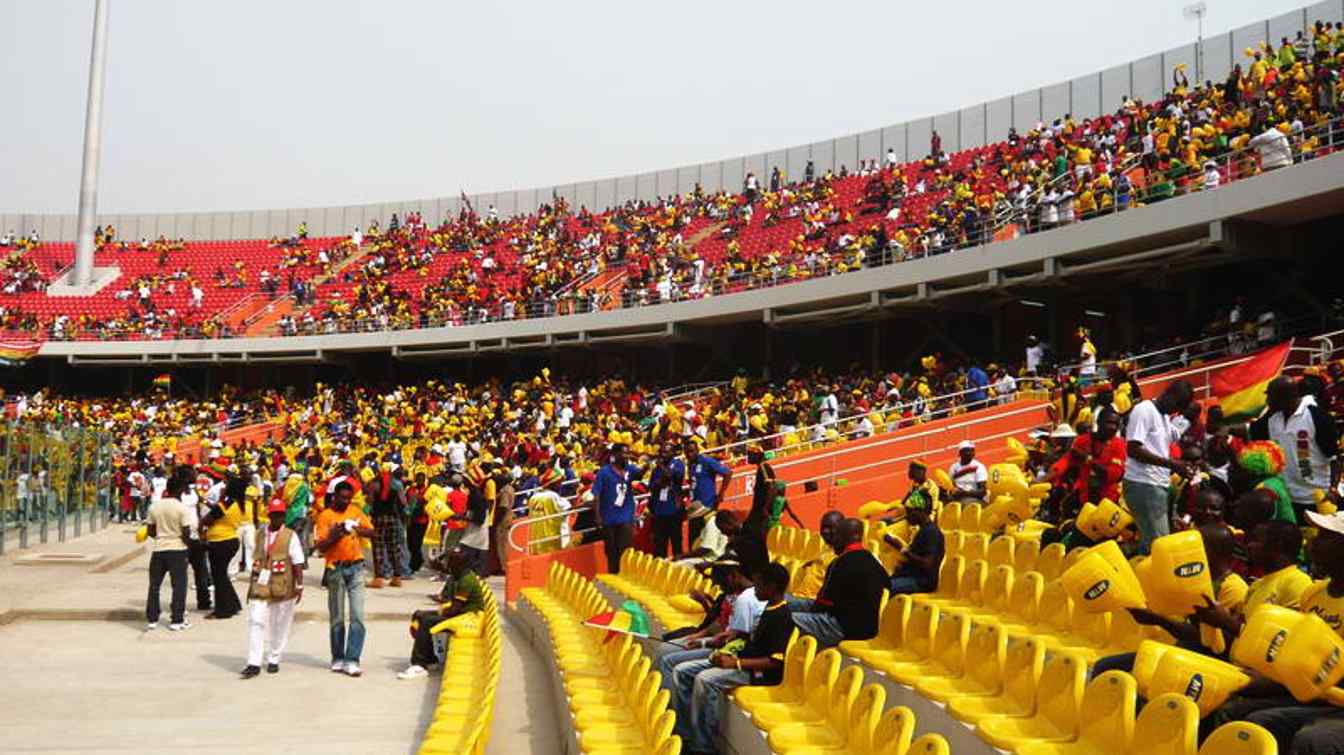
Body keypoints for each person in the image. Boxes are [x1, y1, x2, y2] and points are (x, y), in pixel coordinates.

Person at [673, 562, 793, 755]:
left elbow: (775, 661)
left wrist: (735, 663)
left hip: (757, 673)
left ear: (772, 588)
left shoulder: (781, 616)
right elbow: (752, 640)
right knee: (682, 671)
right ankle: (687, 732)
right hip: (742, 660)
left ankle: (704, 746)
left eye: (759, 585)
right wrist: (730, 642)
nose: (755, 589)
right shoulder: (769, 608)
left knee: (706, 680)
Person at [1250, 376, 1341, 523]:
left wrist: (1333, 488)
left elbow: (1334, 458)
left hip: (1318, 498)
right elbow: (1252, 432)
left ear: (1286, 397)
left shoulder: (1317, 417)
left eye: (1271, 397)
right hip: (1287, 497)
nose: (1267, 402)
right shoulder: (1272, 418)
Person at [789, 518, 886, 647]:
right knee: (786, 603)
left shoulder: (840, 563)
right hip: (866, 627)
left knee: (781, 618)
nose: (833, 541)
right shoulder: (874, 561)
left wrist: (802, 615)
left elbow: (821, 605)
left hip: (842, 628)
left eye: (838, 536)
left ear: (850, 537)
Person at [1123, 380, 1195, 554]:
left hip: (1156, 485)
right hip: (1144, 484)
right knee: (1159, 546)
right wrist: (1171, 464)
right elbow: (1133, 449)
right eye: (1177, 404)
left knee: (1154, 542)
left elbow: (1170, 441)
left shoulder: (1163, 416)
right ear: (1168, 393)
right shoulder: (1144, 410)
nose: (1175, 410)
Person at [314, 480, 375, 677]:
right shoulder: (325, 517)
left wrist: (356, 529)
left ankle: (353, 659)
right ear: (334, 496)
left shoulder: (355, 511)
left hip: (356, 567)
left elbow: (372, 531)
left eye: (349, 498)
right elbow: (321, 547)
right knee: (337, 616)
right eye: (343, 497)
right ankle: (338, 656)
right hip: (335, 569)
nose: (346, 501)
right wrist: (337, 533)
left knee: (357, 615)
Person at [240, 496, 305, 678]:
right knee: (256, 620)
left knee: (280, 623)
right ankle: (253, 662)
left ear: (284, 516)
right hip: (261, 584)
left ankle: (274, 657)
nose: (277, 518)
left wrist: (299, 585)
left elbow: (298, 562)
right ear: (269, 515)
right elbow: (256, 555)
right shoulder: (260, 533)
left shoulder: (291, 536)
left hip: (282, 584)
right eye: (274, 514)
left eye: (280, 515)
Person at [398, 547, 486, 680]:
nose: (447, 562)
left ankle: (419, 664)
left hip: (468, 618)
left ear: (459, 564)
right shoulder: (456, 575)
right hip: (460, 613)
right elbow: (447, 601)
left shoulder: (466, 580)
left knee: (427, 621)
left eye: (450, 559)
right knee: (419, 614)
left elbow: (453, 610)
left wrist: (439, 611)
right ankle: (430, 659)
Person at [1050, 406, 1126, 511]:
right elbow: (1065, 462)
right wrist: (1043, 480)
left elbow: (1112, 475)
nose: (1113, 427)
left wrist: (1088, 460)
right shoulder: (1082, 440)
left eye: (1116, 424)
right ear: (1099, 422)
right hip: (1084, 500)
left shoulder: (1119, 445)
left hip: (1108, 503)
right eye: (1109, 422)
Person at [146, 467, 193, 631]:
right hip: (178, 549)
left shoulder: (154, 507)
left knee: (154, 586)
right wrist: (189, 546)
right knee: (179, 585)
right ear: (180, 490)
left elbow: (150, 531)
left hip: (159, 549)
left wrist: (161, 536)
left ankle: (152, 619)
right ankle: (177, 620)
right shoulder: (182, 508)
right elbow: (186, 532)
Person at [199, 476, 244, 620]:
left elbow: (208, 519)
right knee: (222, 575)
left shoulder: (226, 502)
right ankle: (233, 604)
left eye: (226, 485)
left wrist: (201, 527)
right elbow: (219, 513)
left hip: (220, 542)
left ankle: (223, 610)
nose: (223, 487)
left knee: (218, 577)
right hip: (230, 540)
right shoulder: (238, 503)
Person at [592, 443, 642, 573]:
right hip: (608, 518)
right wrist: (597, 516)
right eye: (624, 453)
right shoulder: (604, 472)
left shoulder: (630, 469)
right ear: (615, 455)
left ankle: (625, 575)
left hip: (625, 517)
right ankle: (613, 575)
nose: (626, 456)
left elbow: (640, 474)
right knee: (611, 551)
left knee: (625, 550)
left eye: (628, 453)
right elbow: (596, 494)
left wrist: (649, 464)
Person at [885, 493, 944, 594]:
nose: (907, 516)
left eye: (909, 512)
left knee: (881, 589)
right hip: (910, 576)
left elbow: (927, 564)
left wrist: (902, 549)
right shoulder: (922, 530)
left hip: (921, 581)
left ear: (920, 512)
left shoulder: (932, 533)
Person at [366, 463, 409, 588]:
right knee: (394, 547)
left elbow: (369, 501)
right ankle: (397, 577)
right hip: (393, 518)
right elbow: (403, 502)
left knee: (378, 547)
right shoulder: (397, 484)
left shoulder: (374, 484)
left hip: (379, 518)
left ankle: (378, 578)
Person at [683, 439, 733, 542]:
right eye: (687, 452)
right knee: (694, 540)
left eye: (692, 451)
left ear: (697, 450)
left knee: (707, 538)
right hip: (694, 508)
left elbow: (728, 473)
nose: (689, 454)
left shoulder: (707, 461)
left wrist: (721, 494)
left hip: (707, 507)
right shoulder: (690, 464)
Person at [648, 444, 687, 558]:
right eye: (661, 452)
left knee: (676, 543)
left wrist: (661, 466)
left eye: (665, 452)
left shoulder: (678, 464)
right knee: (659, 545)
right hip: (659, 511)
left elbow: (672, 475)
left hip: (674, 510)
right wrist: (659, 483)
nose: (662, 455)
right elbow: (652, 486)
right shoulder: (656, 470)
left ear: (672, 453)